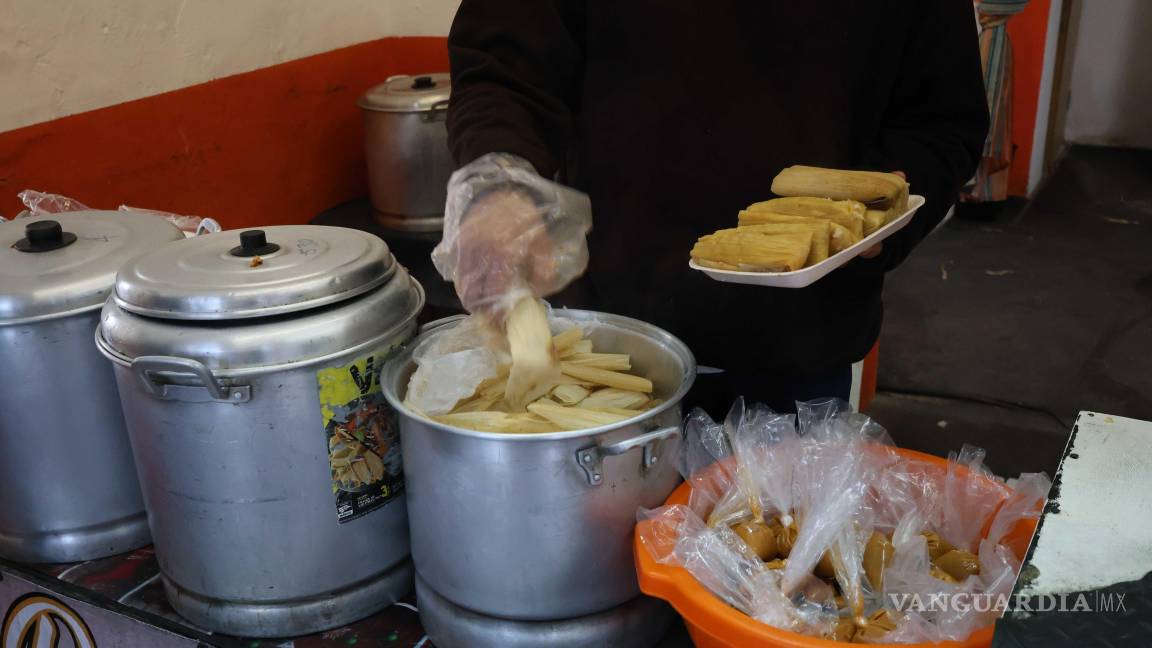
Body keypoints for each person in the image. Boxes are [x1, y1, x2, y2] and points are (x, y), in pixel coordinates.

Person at [436, 1, 989, 417]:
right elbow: (505, 68)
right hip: (606, 345)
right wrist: (498, 179)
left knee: (783, 560)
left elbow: (942, 123)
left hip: (802, 345)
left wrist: (878, 215)